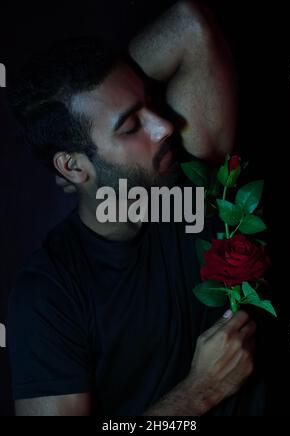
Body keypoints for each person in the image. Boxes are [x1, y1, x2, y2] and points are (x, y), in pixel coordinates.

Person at [7, 0, 263, 416]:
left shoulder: (191, 186)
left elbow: (188, 25)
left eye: (150, 103)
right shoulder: (48, 296)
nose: (164, 126)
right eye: (130, 126)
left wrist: (98, 86)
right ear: (73, 166)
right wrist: (201, 391)